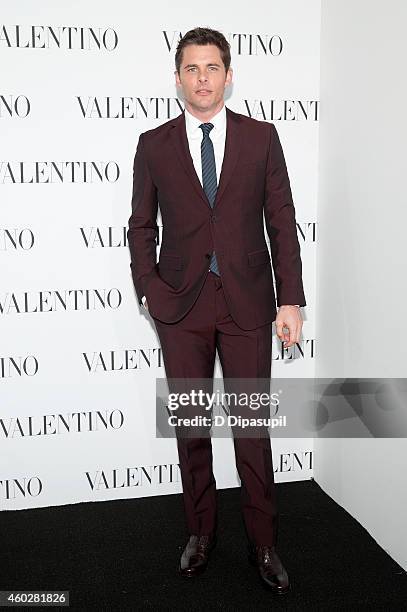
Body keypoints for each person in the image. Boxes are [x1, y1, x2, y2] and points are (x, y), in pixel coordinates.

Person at [127, 27, 306, 596]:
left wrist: (290, 298)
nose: (202, 78)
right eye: (191, 69)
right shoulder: (153, 144)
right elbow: (140, 226)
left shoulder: (261, 138)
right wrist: (148, 289)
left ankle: (263, 542)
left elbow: (282, 219)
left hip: (249, 304)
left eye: (212, 68)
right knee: (191, 428)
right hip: (179, 307)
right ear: (177, 78)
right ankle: (201, 533)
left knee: (252, 430)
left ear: (229, 77)